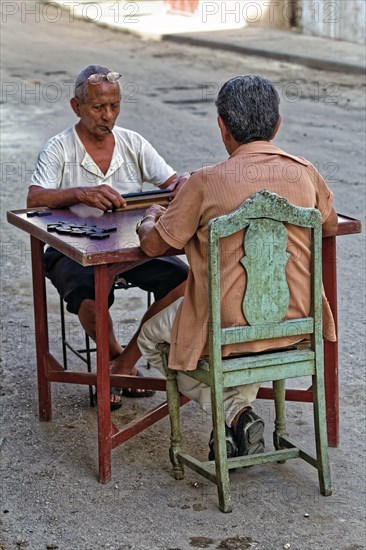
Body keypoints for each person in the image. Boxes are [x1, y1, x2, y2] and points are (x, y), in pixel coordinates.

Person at [135, 75, 338, 459]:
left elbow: (155, 244)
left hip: (227, 330)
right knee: (239, 349)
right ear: (277, 125)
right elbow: (328, 225)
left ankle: (230, 414)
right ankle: (236, 418)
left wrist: (150, 216)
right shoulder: (305, 172)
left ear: (222, 127)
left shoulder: (204, 182)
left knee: (152, 338)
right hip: (295, 326)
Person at [27, 65, 188, 410]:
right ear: (77, 106)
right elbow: (34, 198)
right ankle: (115, 361)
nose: (108, 115)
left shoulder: (133, 143)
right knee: (88, 299)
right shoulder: (59, 148)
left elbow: (172, 183)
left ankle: (123, 365)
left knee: (186, 282)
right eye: (99, 107)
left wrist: (185, 183)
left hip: (130, 246)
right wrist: (80, 193)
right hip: (72, 246)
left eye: (114, 106)